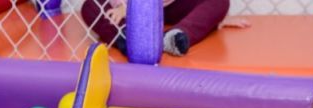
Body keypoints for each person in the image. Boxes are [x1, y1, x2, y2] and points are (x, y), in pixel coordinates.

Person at [80, 0, 242, 57]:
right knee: (90, 7)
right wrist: (125, 7)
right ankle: (128, 39)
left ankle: (174, 37)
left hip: (170, 7)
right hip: (123, 14)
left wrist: (212, 18)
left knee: (219, 1)